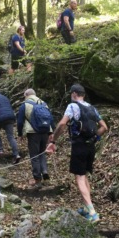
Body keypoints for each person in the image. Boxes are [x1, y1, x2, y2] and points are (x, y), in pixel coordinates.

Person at [46, 84, 108, 222]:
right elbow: (104, 127)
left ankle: (92, 212)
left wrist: (53, 141)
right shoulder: (92, 108)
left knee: (79, 178)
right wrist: (94, 138)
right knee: (84, 175)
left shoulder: (73, 106)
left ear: (74, 94)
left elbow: (62, 124)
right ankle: (86, 208)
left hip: (79, 145)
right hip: (90, 146)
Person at [17, 88, 55, 188]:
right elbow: (50, 118)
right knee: (42, 153)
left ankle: (37, 179)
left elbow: (20, 121)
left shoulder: (25, 105)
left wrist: (20, 134)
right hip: (45, 132)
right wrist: (51, 132)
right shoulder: (44, 103)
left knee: (34, 156)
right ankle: (45, 171)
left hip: (33, 133)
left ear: (26, 95)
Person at [0, 88, 21, 164]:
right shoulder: (5, 98)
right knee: (10, 136)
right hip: (10, 117)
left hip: (0, 118)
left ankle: (0, 149)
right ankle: (16, 154)